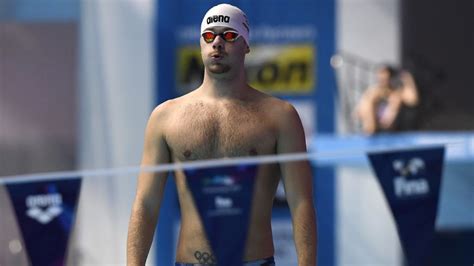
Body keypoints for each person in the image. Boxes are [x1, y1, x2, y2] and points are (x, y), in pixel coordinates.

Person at [127, 4, 317, 266]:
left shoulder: (280, 116)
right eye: (209, 36)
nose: (217, 42)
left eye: (228, 35)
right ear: (201, 44)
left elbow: (301, 202)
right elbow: (146, 202)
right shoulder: (166, 117)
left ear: (246, 45)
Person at [354, 65, 419, 135]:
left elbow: (412, 100)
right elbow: (357, 113)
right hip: (374, 127)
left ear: (391, 78)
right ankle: (370, 130)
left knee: (395, 99)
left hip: (389, 127)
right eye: (380, 79)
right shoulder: (373, 92)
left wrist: (408, 80)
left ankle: (376, 128)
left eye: (385, 79)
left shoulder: (396, 93)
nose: (382, 81)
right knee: (368, 100)